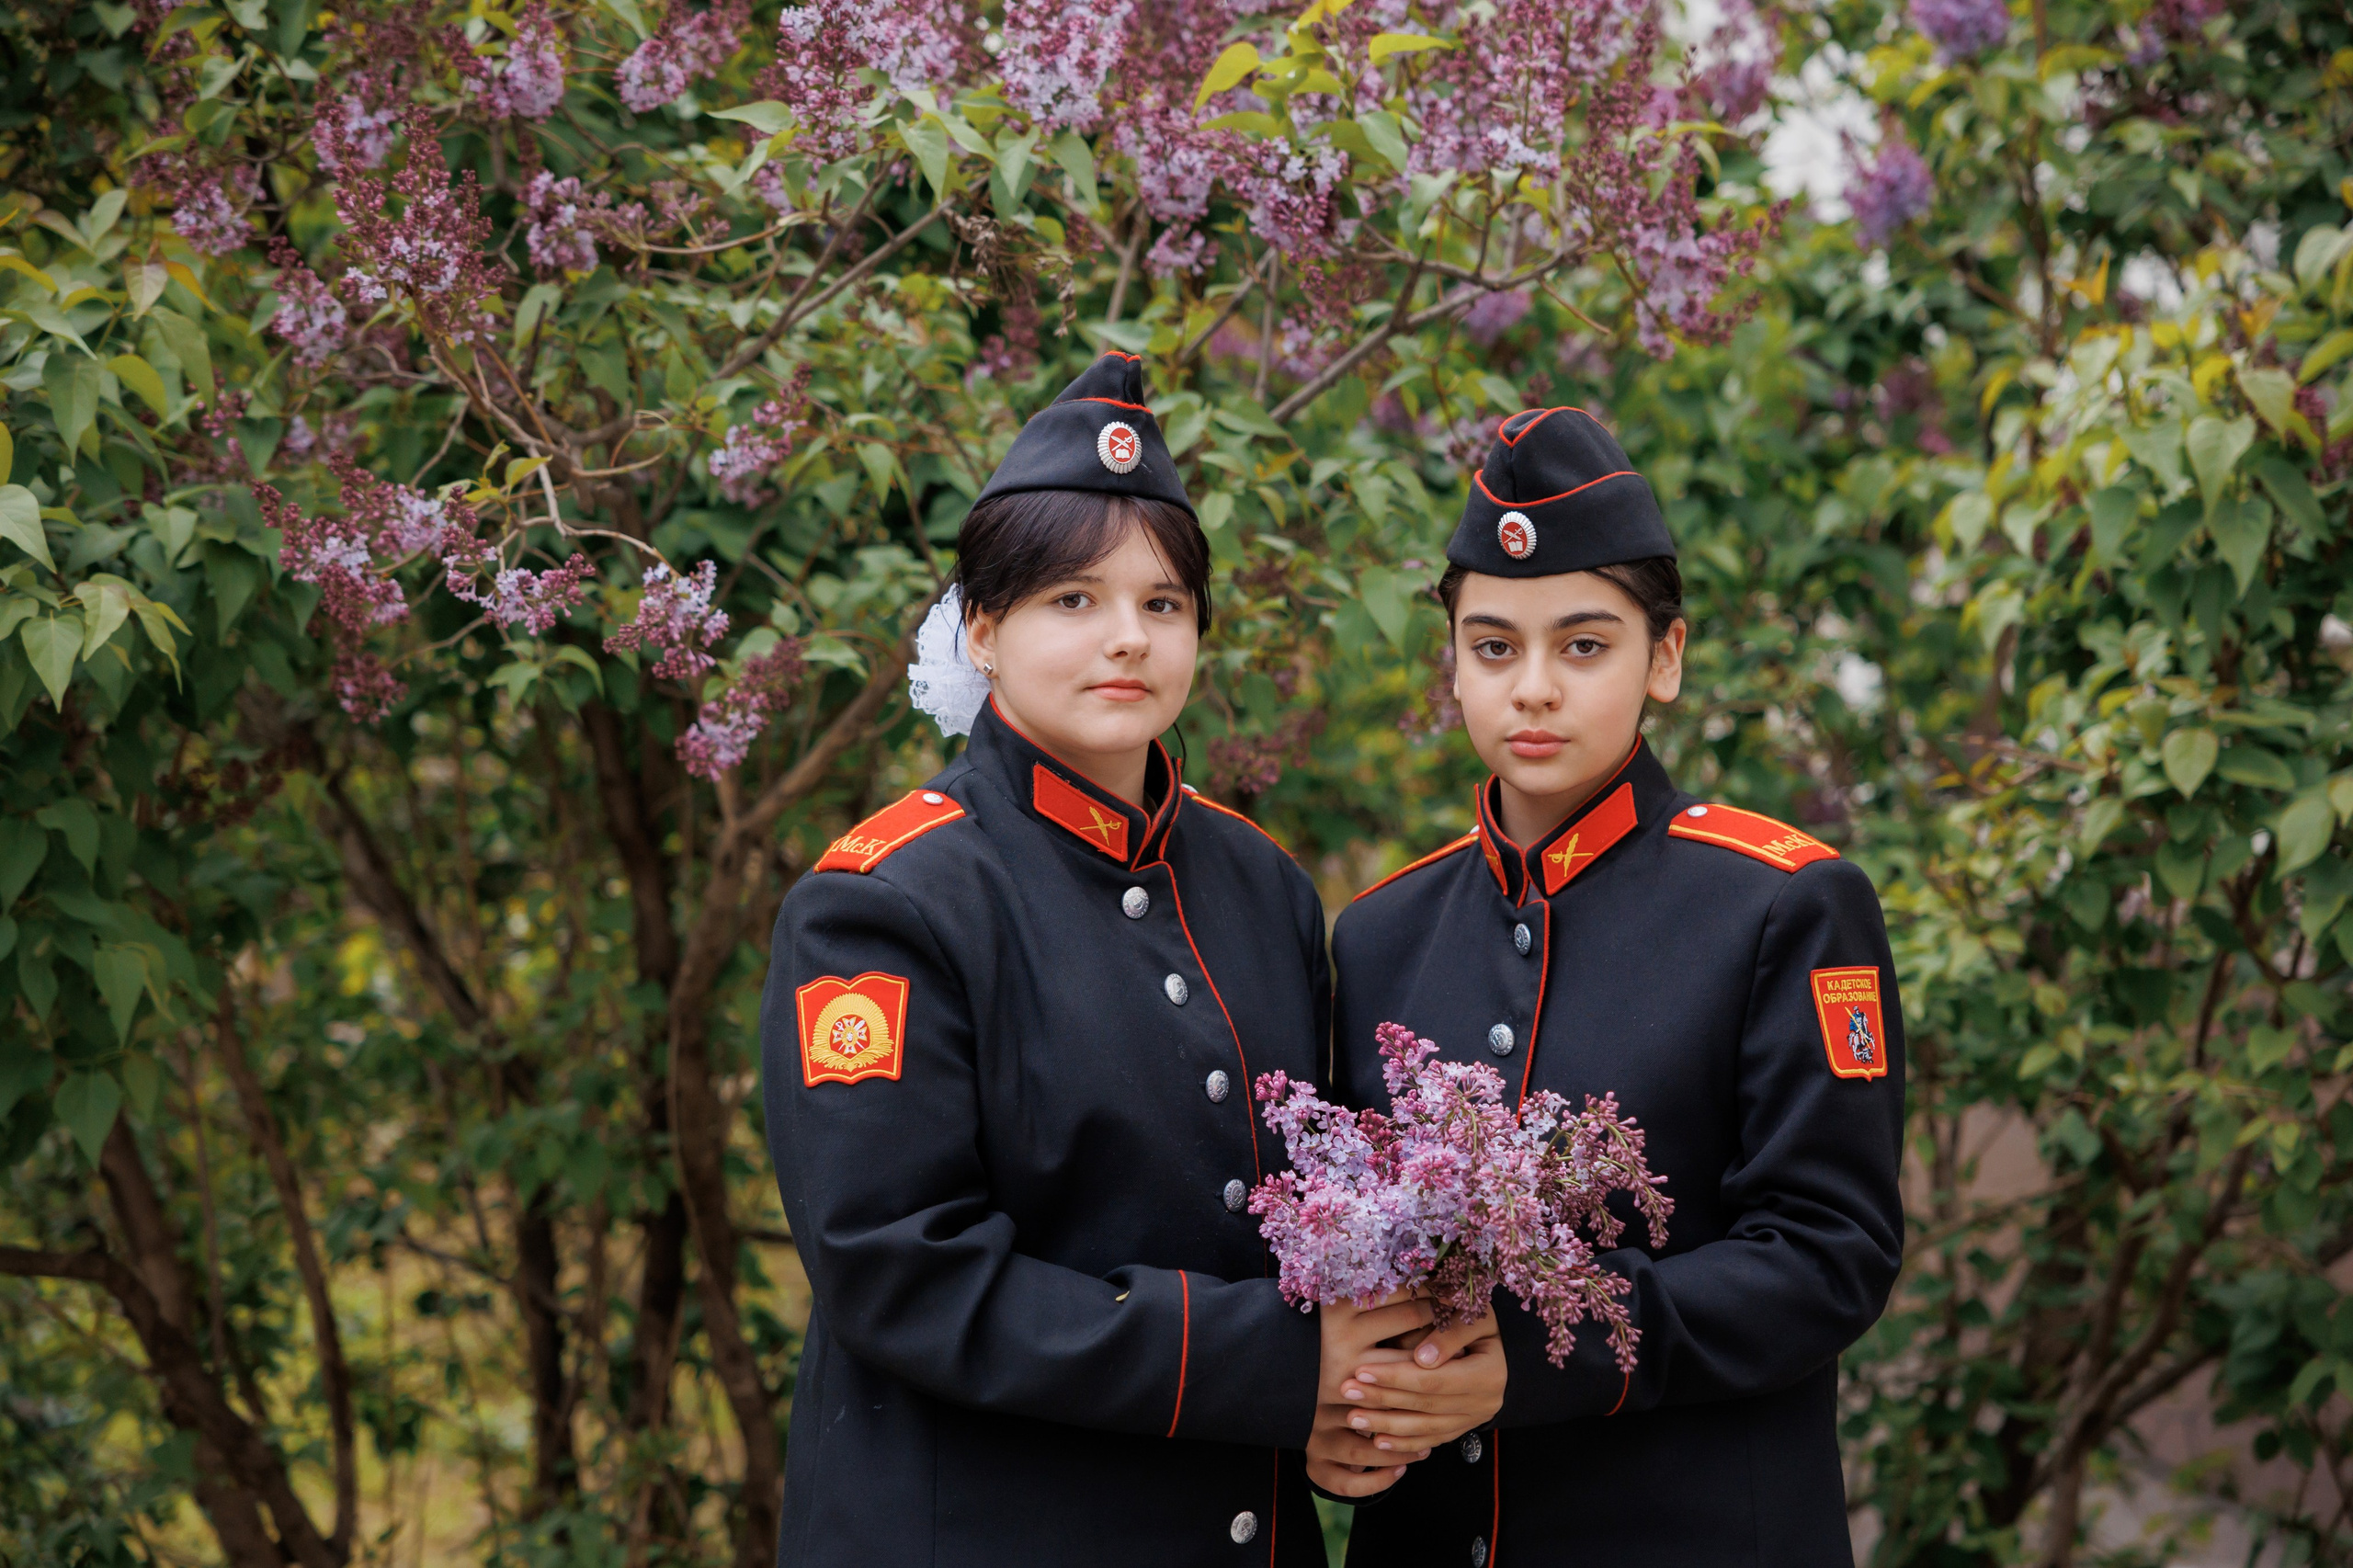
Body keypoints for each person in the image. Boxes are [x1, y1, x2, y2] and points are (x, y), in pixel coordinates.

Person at [758, 351, 1501, 1566]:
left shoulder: (1260, 886)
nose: (1127, 639)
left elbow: (1312, 1218)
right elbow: (900, 1271)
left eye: (1163, 604)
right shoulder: (887, 904)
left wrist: (1367, 1391)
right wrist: (1276, 1365)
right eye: (1073, 599)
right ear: (983, 628)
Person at [1326, 406, 1906, 1567]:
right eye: (1494, 646)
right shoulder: (1382, 933)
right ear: (1452, 662)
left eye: (1583, 645)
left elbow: (1827, 1253)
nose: (1532, 688)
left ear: (1666, 657)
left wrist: (1545, 1346)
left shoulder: (1782, 905)